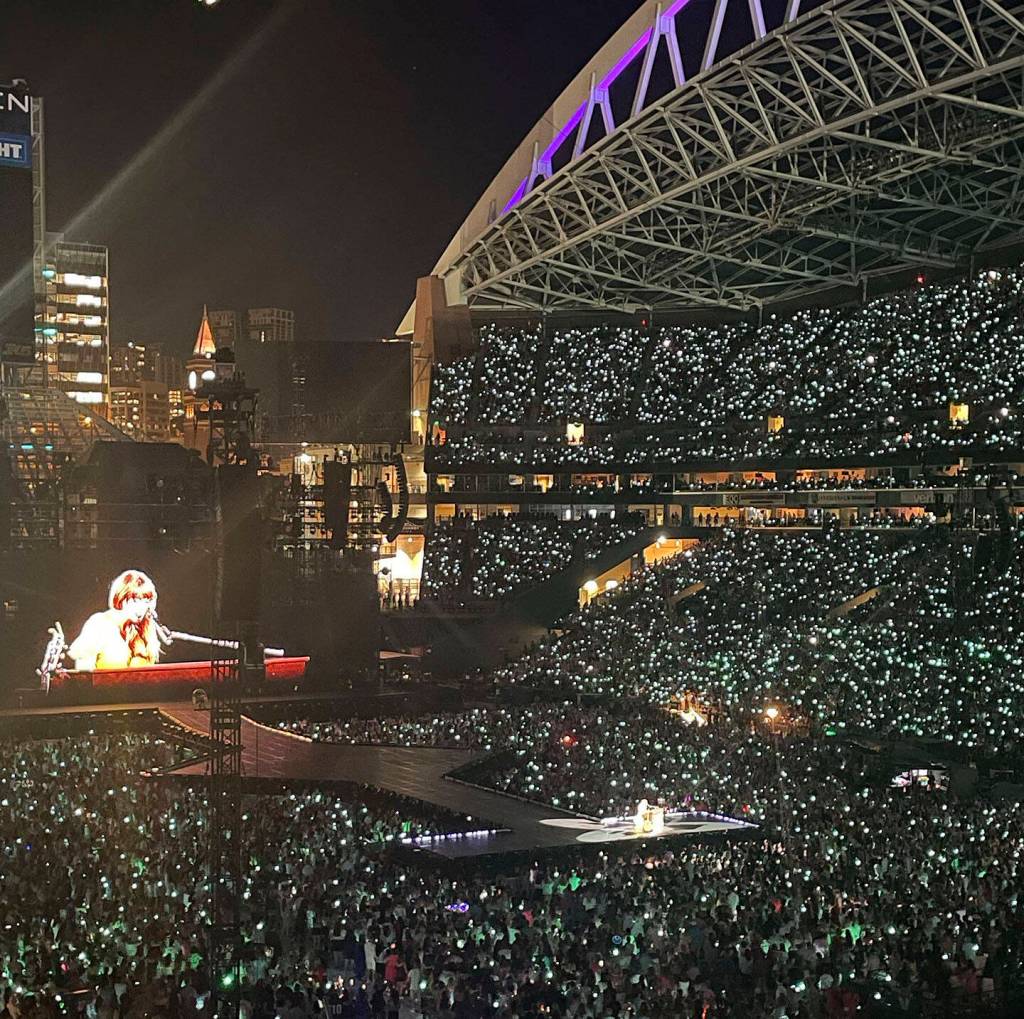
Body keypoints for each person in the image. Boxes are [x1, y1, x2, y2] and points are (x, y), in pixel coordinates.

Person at [67, 569, 161, 670]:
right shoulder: (99, 623)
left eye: (145, 601)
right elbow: (84, 674)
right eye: (135, 601)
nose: (140, 608)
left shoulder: (146, 629)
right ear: (120, 598)